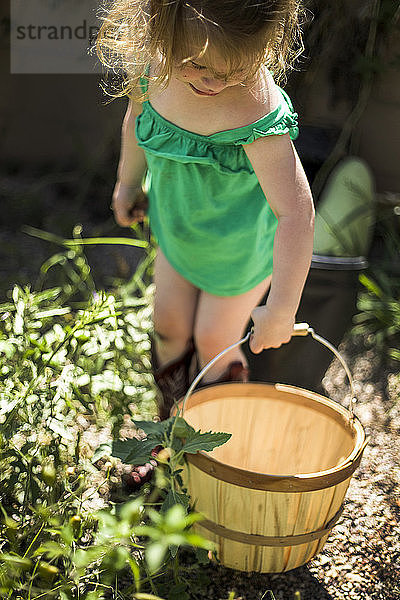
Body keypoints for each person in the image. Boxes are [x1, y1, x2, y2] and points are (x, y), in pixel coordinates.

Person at [97, 0, 315, 446]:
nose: (213, 81)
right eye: (195, 65)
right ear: (158, 32)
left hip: (238, 258)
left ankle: (209, 455)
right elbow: (136, 121)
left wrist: (281, 311)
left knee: (213, 339)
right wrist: (127, 183)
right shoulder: (151, 70)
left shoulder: (255, 111)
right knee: (168, 327)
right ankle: (168, 437)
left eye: (231, 70)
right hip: (179, 238)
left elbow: (297, 212)